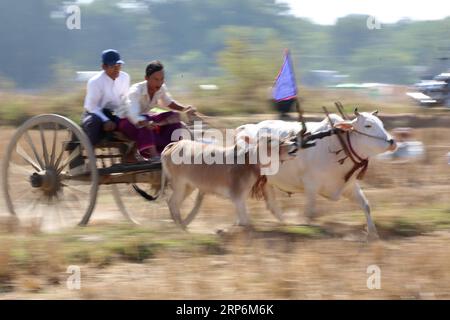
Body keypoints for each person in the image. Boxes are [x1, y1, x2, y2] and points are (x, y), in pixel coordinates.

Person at [119, 60, 196, 161]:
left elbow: (169, 102)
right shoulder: (135, 91)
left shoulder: (161, 88)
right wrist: (145, 122)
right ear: (146, 78)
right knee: (145, 119)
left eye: (162, 79)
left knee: (174, 116)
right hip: (126, 121)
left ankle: (172, 151)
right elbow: (133, 114)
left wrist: (185, 109)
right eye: (156, 79)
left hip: (145, 120)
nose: (159, 83)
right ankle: (154, 155)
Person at [82, 49, 130, 145]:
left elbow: (125, 100)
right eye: (113, 66)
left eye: (119, 66)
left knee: (134, 120)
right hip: (96, 114)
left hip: (116, 113)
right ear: (104, 66)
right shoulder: (95, 81)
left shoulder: (125, 77)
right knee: (93, 122)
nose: (117, 69)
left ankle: (131, 151)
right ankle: (91, 147)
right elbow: (91, 107)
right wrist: (105, 120)